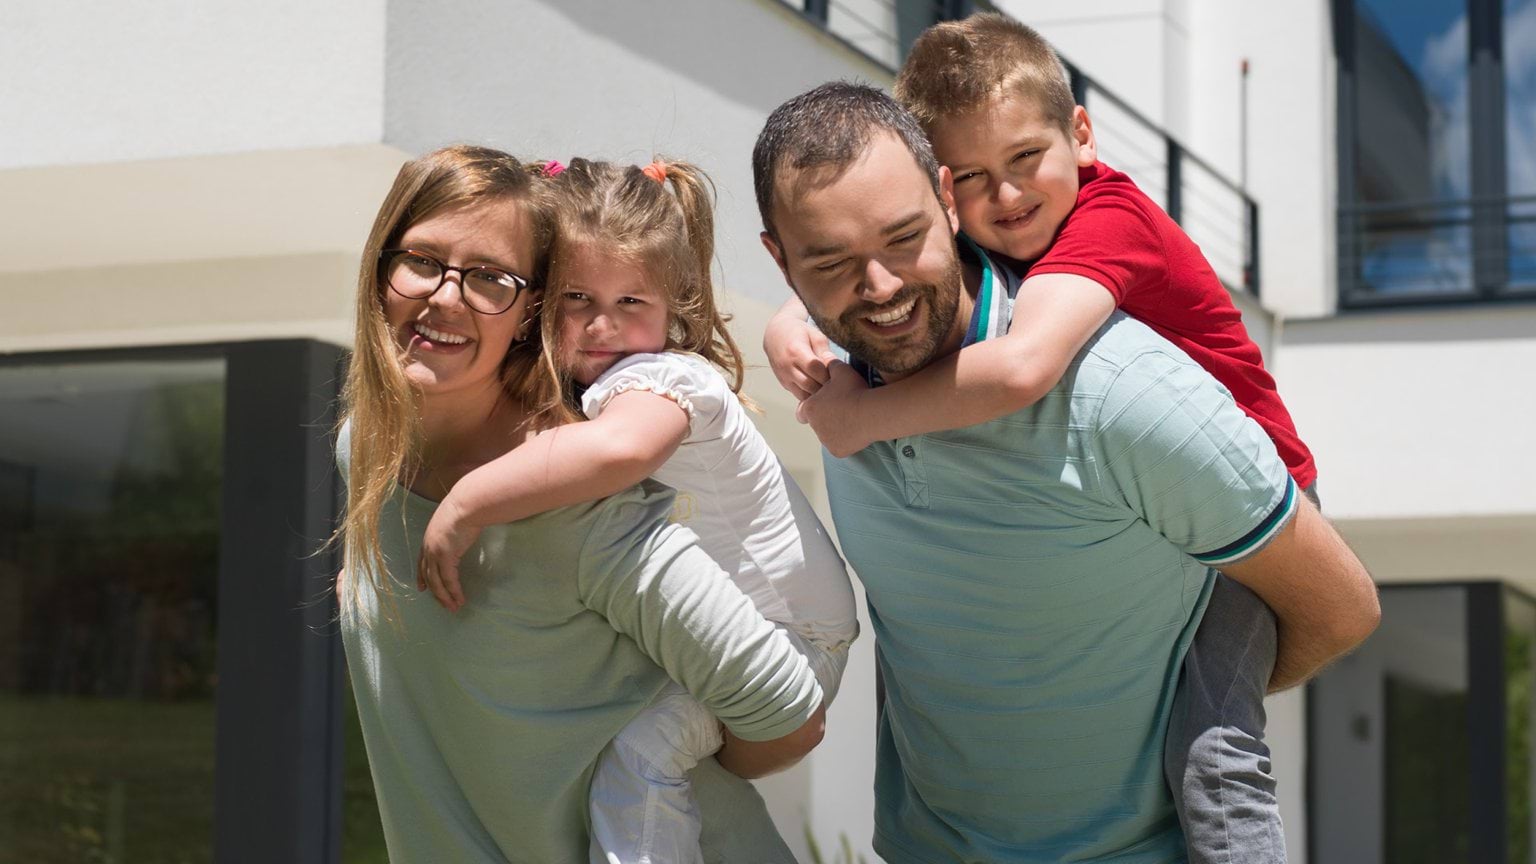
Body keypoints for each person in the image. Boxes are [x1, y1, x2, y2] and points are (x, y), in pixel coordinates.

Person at [752, 82, 1379, 863]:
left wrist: (1185, 694)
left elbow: (1342, 607)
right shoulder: (832, 382)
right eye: (833, 262)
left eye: (903, 238)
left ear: (947, 202)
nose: (879, 287)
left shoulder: (1121, 390)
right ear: (779, 260)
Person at [335, 144, 825, 864]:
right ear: (380, 270)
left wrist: (662, 758)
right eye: (422, 260)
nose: (445, 296)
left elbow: (789, 713)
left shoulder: (576, 507)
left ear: (528, 307)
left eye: (488, 279)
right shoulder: (365, 449)